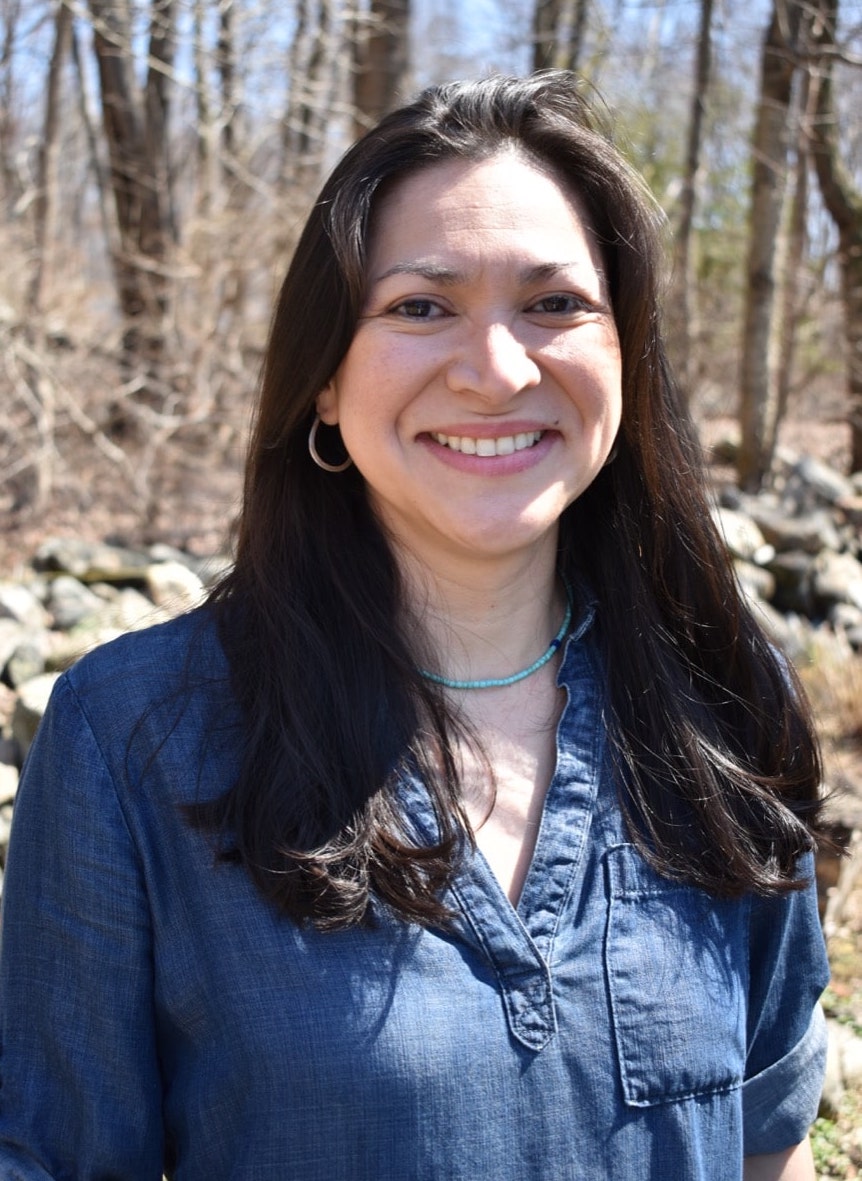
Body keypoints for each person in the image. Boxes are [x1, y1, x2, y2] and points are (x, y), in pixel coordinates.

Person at [0, 72, 829, 1180]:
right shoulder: (135, 735)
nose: (495, 370)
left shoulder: (723, 697)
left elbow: (767, 1143)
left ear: (623, 355)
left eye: (554, 304)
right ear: (325, 383)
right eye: (420, 305)